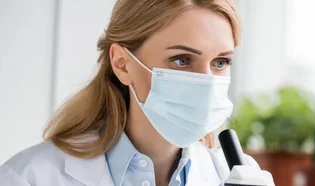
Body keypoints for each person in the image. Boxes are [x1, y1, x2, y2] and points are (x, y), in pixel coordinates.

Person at [0, 0, 270, 185]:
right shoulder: (30, 177)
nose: (207, 82)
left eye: (220, 62)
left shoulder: (235, 174)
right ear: (122, 63)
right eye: (182, 60)